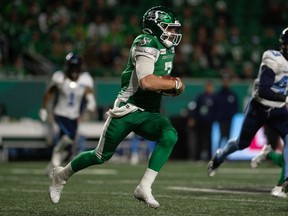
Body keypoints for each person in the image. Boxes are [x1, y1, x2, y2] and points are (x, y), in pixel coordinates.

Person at [48, 6, 184, 209]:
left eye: (174, 29)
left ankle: (144, 187)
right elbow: (147, 82)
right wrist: (174, 85)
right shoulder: (145, 42)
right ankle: (61, 175)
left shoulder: (168, 48)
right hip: (128, 109)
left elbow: (157, 83)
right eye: (169, 28)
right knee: (100, 156)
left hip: (149, 112)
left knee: (170, 135)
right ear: (155, 27)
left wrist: (168, 87)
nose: (173, 33)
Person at [207, 27, 288, 194]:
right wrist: (284, 98)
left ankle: (287, 180)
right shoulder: (274, 58)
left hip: (278, 110)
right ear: (285, 45)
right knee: (241, 143)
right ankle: (219, 156)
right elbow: (265, 90)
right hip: (260, 107)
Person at [39, 53, 96, 178]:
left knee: (68, 146)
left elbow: (88, 92)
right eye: (72, 67)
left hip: (74, 116)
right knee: (68, 137)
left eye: (76, 67)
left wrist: (91, 103)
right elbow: (49, 92)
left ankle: (52, 166)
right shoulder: (59, 77)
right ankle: (55, 163)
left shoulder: (85, 79)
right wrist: (44, 109)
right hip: (60, 113)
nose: (74, 70)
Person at [189, 81, 216, 160]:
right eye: (207, 86)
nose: (208, 88)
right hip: (200, 121)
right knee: (199, 139)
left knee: (209, 140)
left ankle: (209, 156)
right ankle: (198, 156)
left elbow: (216, 109)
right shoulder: (200, 97)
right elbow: (196, 109)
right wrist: (193, 118)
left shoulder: (214, 97)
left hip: (209, 122)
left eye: (210, 87)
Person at [214, 74, 238, 148]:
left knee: (228, 136)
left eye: (227, 81)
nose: (226, 83)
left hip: (229, 119)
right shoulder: (218, 94)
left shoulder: (232, 95)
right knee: (221, 136)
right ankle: (218, 152)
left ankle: (226, 154)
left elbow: (235, 107)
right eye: (224, 81)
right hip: (221, 119)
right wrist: (218, 115)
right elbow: (215, 106)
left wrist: (231, 115)